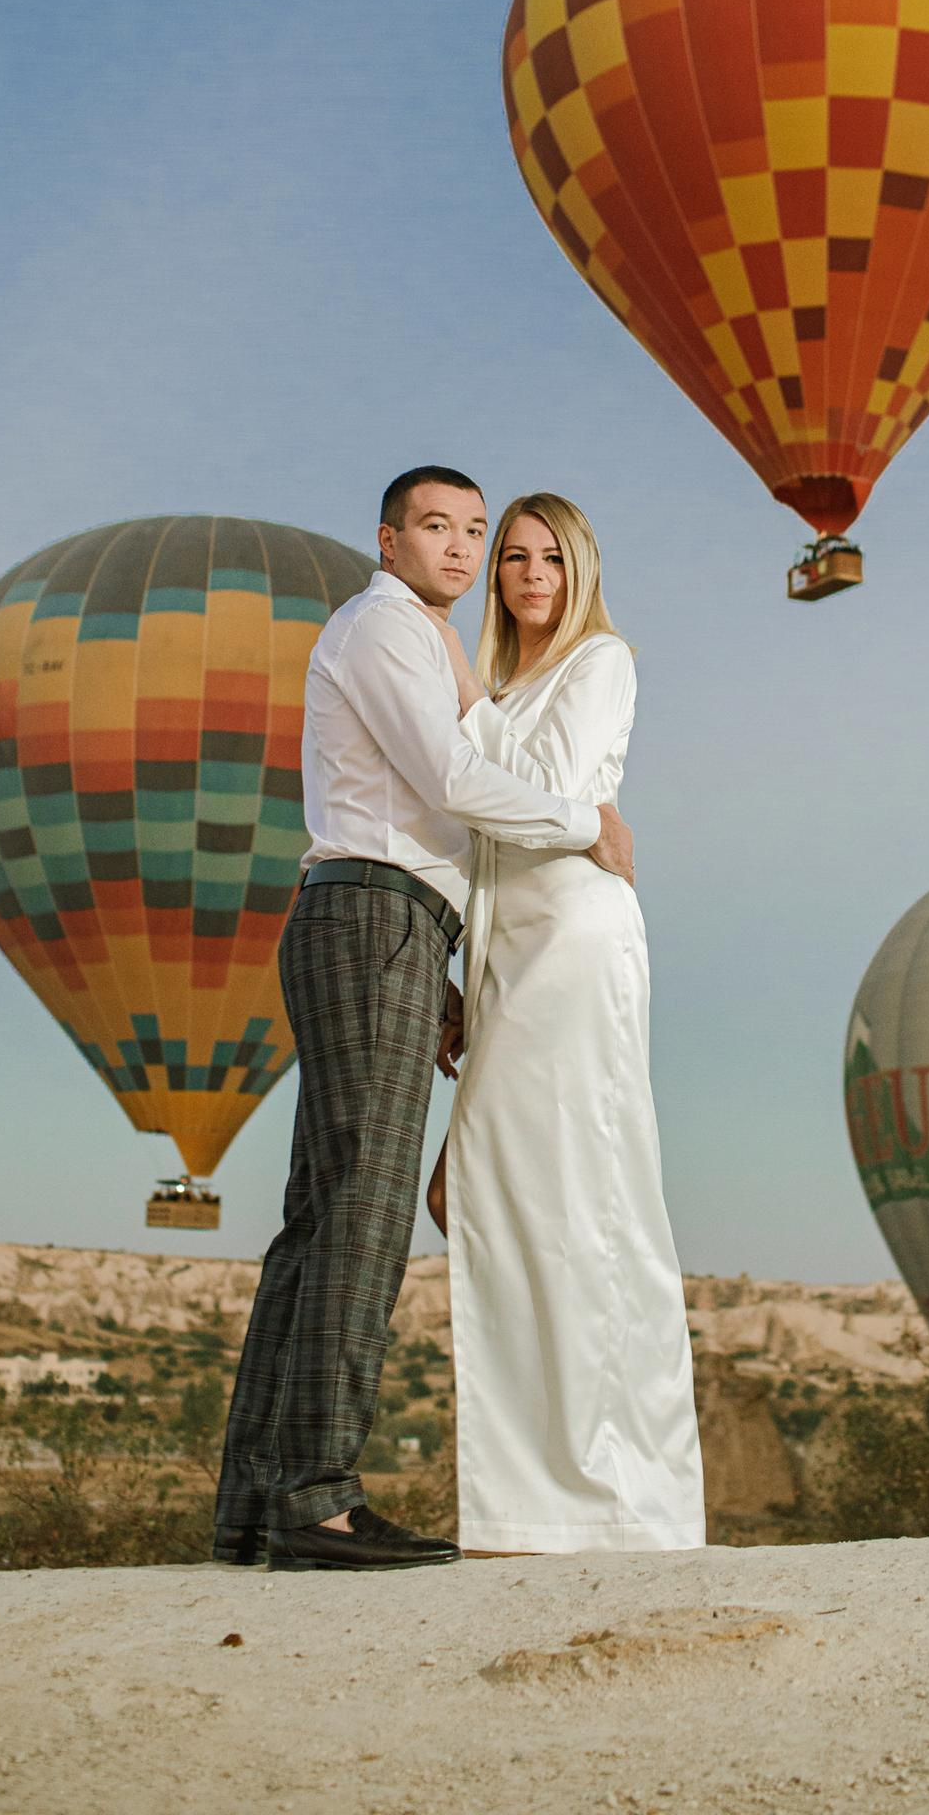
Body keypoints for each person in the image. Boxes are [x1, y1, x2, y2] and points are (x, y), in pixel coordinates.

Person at [212, 468, 635, 1572]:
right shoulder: (388, 627)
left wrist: (435, 963)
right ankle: (315, 1497)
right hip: (371, 915)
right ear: (388, 539)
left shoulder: (416, 638)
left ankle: (257, 1501)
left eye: (474, 531)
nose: (460, 548)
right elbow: (448, 778)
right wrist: (584, 822)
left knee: (321, 1215)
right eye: (437, 527)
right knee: (365, 1209)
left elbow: (417, 818)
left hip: (382, 920)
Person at [428, 492, 705, 1555]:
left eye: (550, 555)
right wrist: (461, 972)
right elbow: (499, 822)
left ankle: (609, 1494)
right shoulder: (507, 686)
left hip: (577, 946)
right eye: (512, 556)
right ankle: (543, 1492)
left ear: (580, 567)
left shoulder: (600, 661)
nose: (531, 573)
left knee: (579, 1197)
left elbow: (540, 790)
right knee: (489, 1194)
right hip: (510, 953)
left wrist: (465, 707)